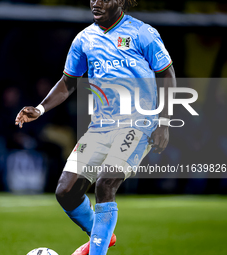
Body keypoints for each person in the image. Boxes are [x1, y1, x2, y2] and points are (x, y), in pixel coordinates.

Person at [15, 0, 176, 254]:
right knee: (65, 191)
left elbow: (166, 74)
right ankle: (102, 234)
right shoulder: (84, 39)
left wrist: (164, 122)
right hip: (101, 127)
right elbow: (68, 82)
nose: (96, 3)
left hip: (138, 124)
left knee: (105, 183)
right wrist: (40, 108)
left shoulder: (141, 33)